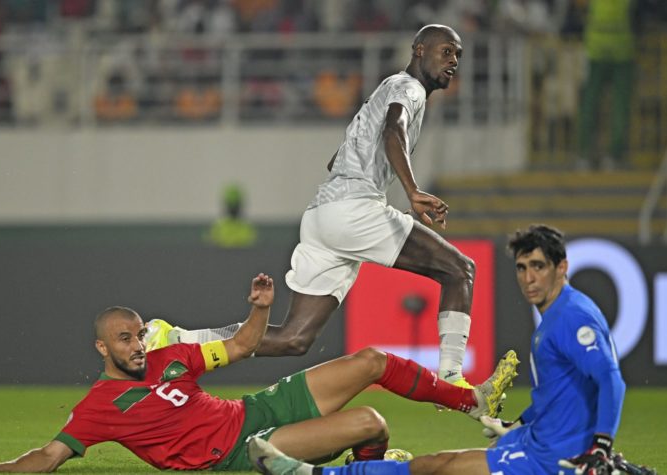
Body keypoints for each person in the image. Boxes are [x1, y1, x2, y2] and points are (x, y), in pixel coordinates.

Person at [156, 24, 477, 390]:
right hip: (354, 210)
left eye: (458, 55)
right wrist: (413, 191)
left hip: (322, 216)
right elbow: (394, 130)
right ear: (419, 50)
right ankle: (451, 378)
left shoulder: (386, 89)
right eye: (446, 51)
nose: (454, 61)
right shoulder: (410, 88)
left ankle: (176, 339)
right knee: (459, 270)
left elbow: (335, 160)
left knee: (294, 338)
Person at [0, 273, 519, 474]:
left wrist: (261, 307)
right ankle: (364, 469)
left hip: (257, 409)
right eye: (124, 339)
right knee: (371, 422)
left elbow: (245, 345)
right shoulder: (99, 407)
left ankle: (470, 402)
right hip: (244, 448)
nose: (137, 345)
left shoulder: (168, 358)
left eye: (139, 334)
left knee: (371, 359)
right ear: (102, 347)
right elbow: (49, 456)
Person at [247, 225, 657, 475]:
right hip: (536, 442)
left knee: (436, 467)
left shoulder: (571, 318)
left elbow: (610, 379)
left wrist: (601, 446)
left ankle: (310, 474)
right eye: (521, 267)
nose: (529, 278)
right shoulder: (557, 314)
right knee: (440, 465)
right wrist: (519, 421)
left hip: (553, 459)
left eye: (539, 267)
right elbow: (559, 390)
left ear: (561, 267)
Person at [575, 0, 637, 171]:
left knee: (590, 104)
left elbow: (579, 7)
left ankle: (585, 154)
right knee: (619, 107)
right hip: (621, 51)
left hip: (596, 50)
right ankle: (613, 156)